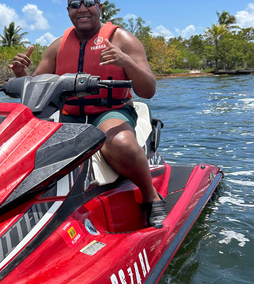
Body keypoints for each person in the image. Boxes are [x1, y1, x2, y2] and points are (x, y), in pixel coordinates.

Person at [9, 0, 166, 226]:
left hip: (109, 112)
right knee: (22, 146)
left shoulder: (122, 39)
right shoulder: (58, 46)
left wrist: (126, 61)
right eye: (74, 4)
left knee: (121, 143)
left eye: (89, 2)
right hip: (69, 115)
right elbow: (36, 88)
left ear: (99, 7)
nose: (82, 9)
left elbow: (148, 90)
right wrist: (20, 73)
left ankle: (151, 197)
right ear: (68, 11)